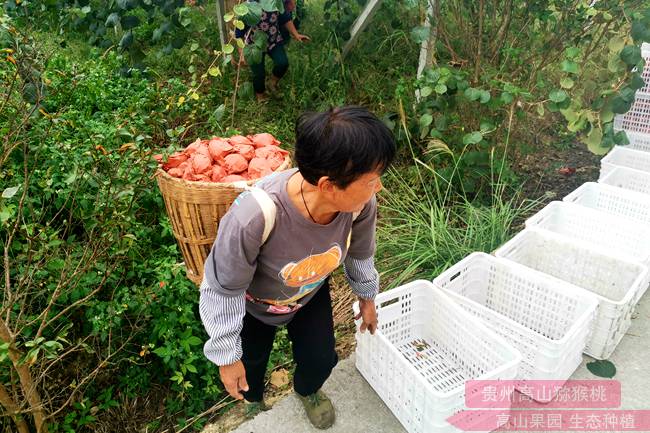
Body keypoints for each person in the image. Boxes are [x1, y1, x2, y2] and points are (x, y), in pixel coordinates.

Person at [199, 106, 396, 429]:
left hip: (308, 293)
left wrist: (367, 297)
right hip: (253, 305)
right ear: (328, 186)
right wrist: (226, 357)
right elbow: (224, 288)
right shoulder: (254, 216)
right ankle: (253, 402)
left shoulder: (359, 206)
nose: (379, 188)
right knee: (251, 363)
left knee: (320, 359)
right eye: (372, 180)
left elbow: (360, 254)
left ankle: (308, 390)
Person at [235, 0, 310, 101]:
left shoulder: (275, 2)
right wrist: (241, 52)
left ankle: (272, 82)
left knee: (282, 63)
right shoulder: (247, 7)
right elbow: (239, 33)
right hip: (254, 46)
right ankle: (260, 97)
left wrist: (296, 34)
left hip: (273, 41)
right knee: (259, 74)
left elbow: (285, 19)